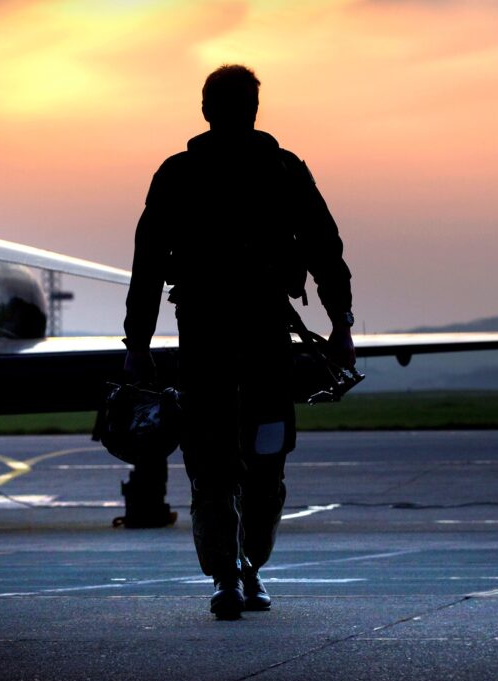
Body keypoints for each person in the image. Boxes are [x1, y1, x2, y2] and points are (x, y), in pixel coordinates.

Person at [123, 65, 355, 619]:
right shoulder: (284, 171)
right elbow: (327, 252)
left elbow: (148, 265)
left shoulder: (182, 174)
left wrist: (138, 342)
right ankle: (244, 570)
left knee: (214, 465)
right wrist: (341, 325)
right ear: (255, 109)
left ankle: (230, 575)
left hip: (208, 342)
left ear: (205, 110)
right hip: (257, 346)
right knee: (259, 462)